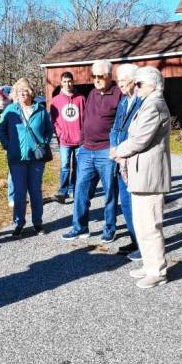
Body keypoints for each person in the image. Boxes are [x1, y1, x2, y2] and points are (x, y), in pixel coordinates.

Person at [111, 66, 171, 289]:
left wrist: (118, 150)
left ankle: (158, 271)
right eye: (135, 84)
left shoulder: (154, 104)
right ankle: (148, 265)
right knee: (141, 223)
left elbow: (139, 140)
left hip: (150, 174)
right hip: (141, 173)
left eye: (139, 84)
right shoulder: (148, 102)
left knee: (151, 226)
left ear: (152, 84)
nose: (136, 87)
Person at [62, 60, 121, 242]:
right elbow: (86, 119)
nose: (96, 79)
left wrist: (115, 148)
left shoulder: (118, 95)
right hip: (87, 149)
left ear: (110, 76)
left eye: (100, 76)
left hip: (106, 151)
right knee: (81, 190)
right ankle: (80, 227)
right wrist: (81, 142)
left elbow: (121, 125)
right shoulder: (92, 94)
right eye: (93, 76)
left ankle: (109, 228)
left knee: (110, 192)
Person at [0, 77, 54, 237]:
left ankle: (38, 223)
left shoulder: (41, 110)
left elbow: (49, 131)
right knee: (19, 192)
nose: (23, 94)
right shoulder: (10, 111)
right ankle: (18, 223)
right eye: (19, 91)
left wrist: (43, 143)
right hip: (16, 158)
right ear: (15, 93)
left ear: (31, 93)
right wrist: (7, 145)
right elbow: (2, 131)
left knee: (35, 191)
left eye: (26, 91)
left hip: (36, 159)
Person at [110, 64, 142, 260]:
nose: (120, 85)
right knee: (126, 204)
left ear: (134, 80)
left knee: (137, 204)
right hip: (120, 161)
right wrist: (114, 150)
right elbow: (115, 129)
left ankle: (143, 244)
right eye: (119, 81)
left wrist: (123, 152)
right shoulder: (123, 102)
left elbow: (138, 134)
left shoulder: (142, 101)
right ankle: (134, 239)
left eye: (124, 81)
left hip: (134, 160)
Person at [50, 71, 85, 204]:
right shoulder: (56, 100)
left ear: (73, 82)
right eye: (64, 82)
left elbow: (86, 117)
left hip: (79, 140)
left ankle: (75, 190)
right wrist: (60, 133)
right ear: (61, 83)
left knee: (77, 166)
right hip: (64, 140)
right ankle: (63, 192)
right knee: (64, 166)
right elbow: (53, 120)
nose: (67, 84)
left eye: (69, 81)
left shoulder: (81, 98)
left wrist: (83, 134)